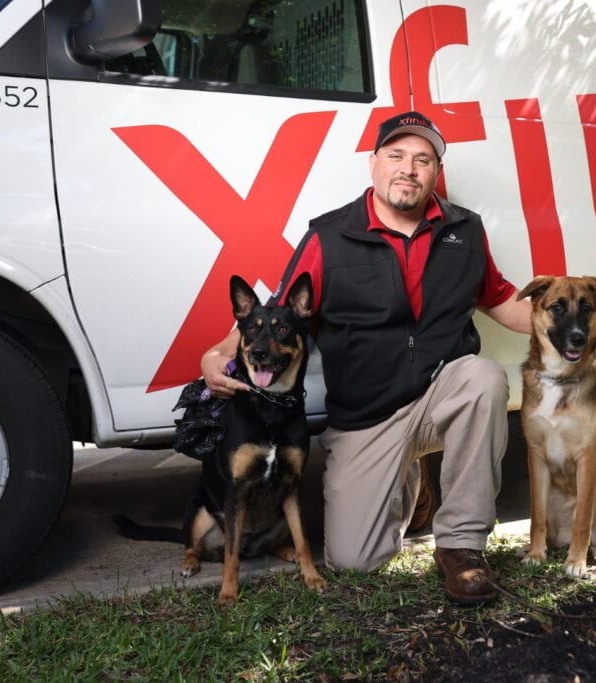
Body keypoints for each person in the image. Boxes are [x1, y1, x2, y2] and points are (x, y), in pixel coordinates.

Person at [200, 111, 532, 605]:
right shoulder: (329, 236)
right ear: (374, 164)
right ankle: (409, 484)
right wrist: (216, 355)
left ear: (436, 172)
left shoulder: (465, 231)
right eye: (396, 156)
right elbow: (277, 312)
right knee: (355, 562)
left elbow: (502, 299)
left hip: (440, 391)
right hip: (365, 417)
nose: (409, 169)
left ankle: (462, 546)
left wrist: (572, 324)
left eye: (423, 159)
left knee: (483, 378)